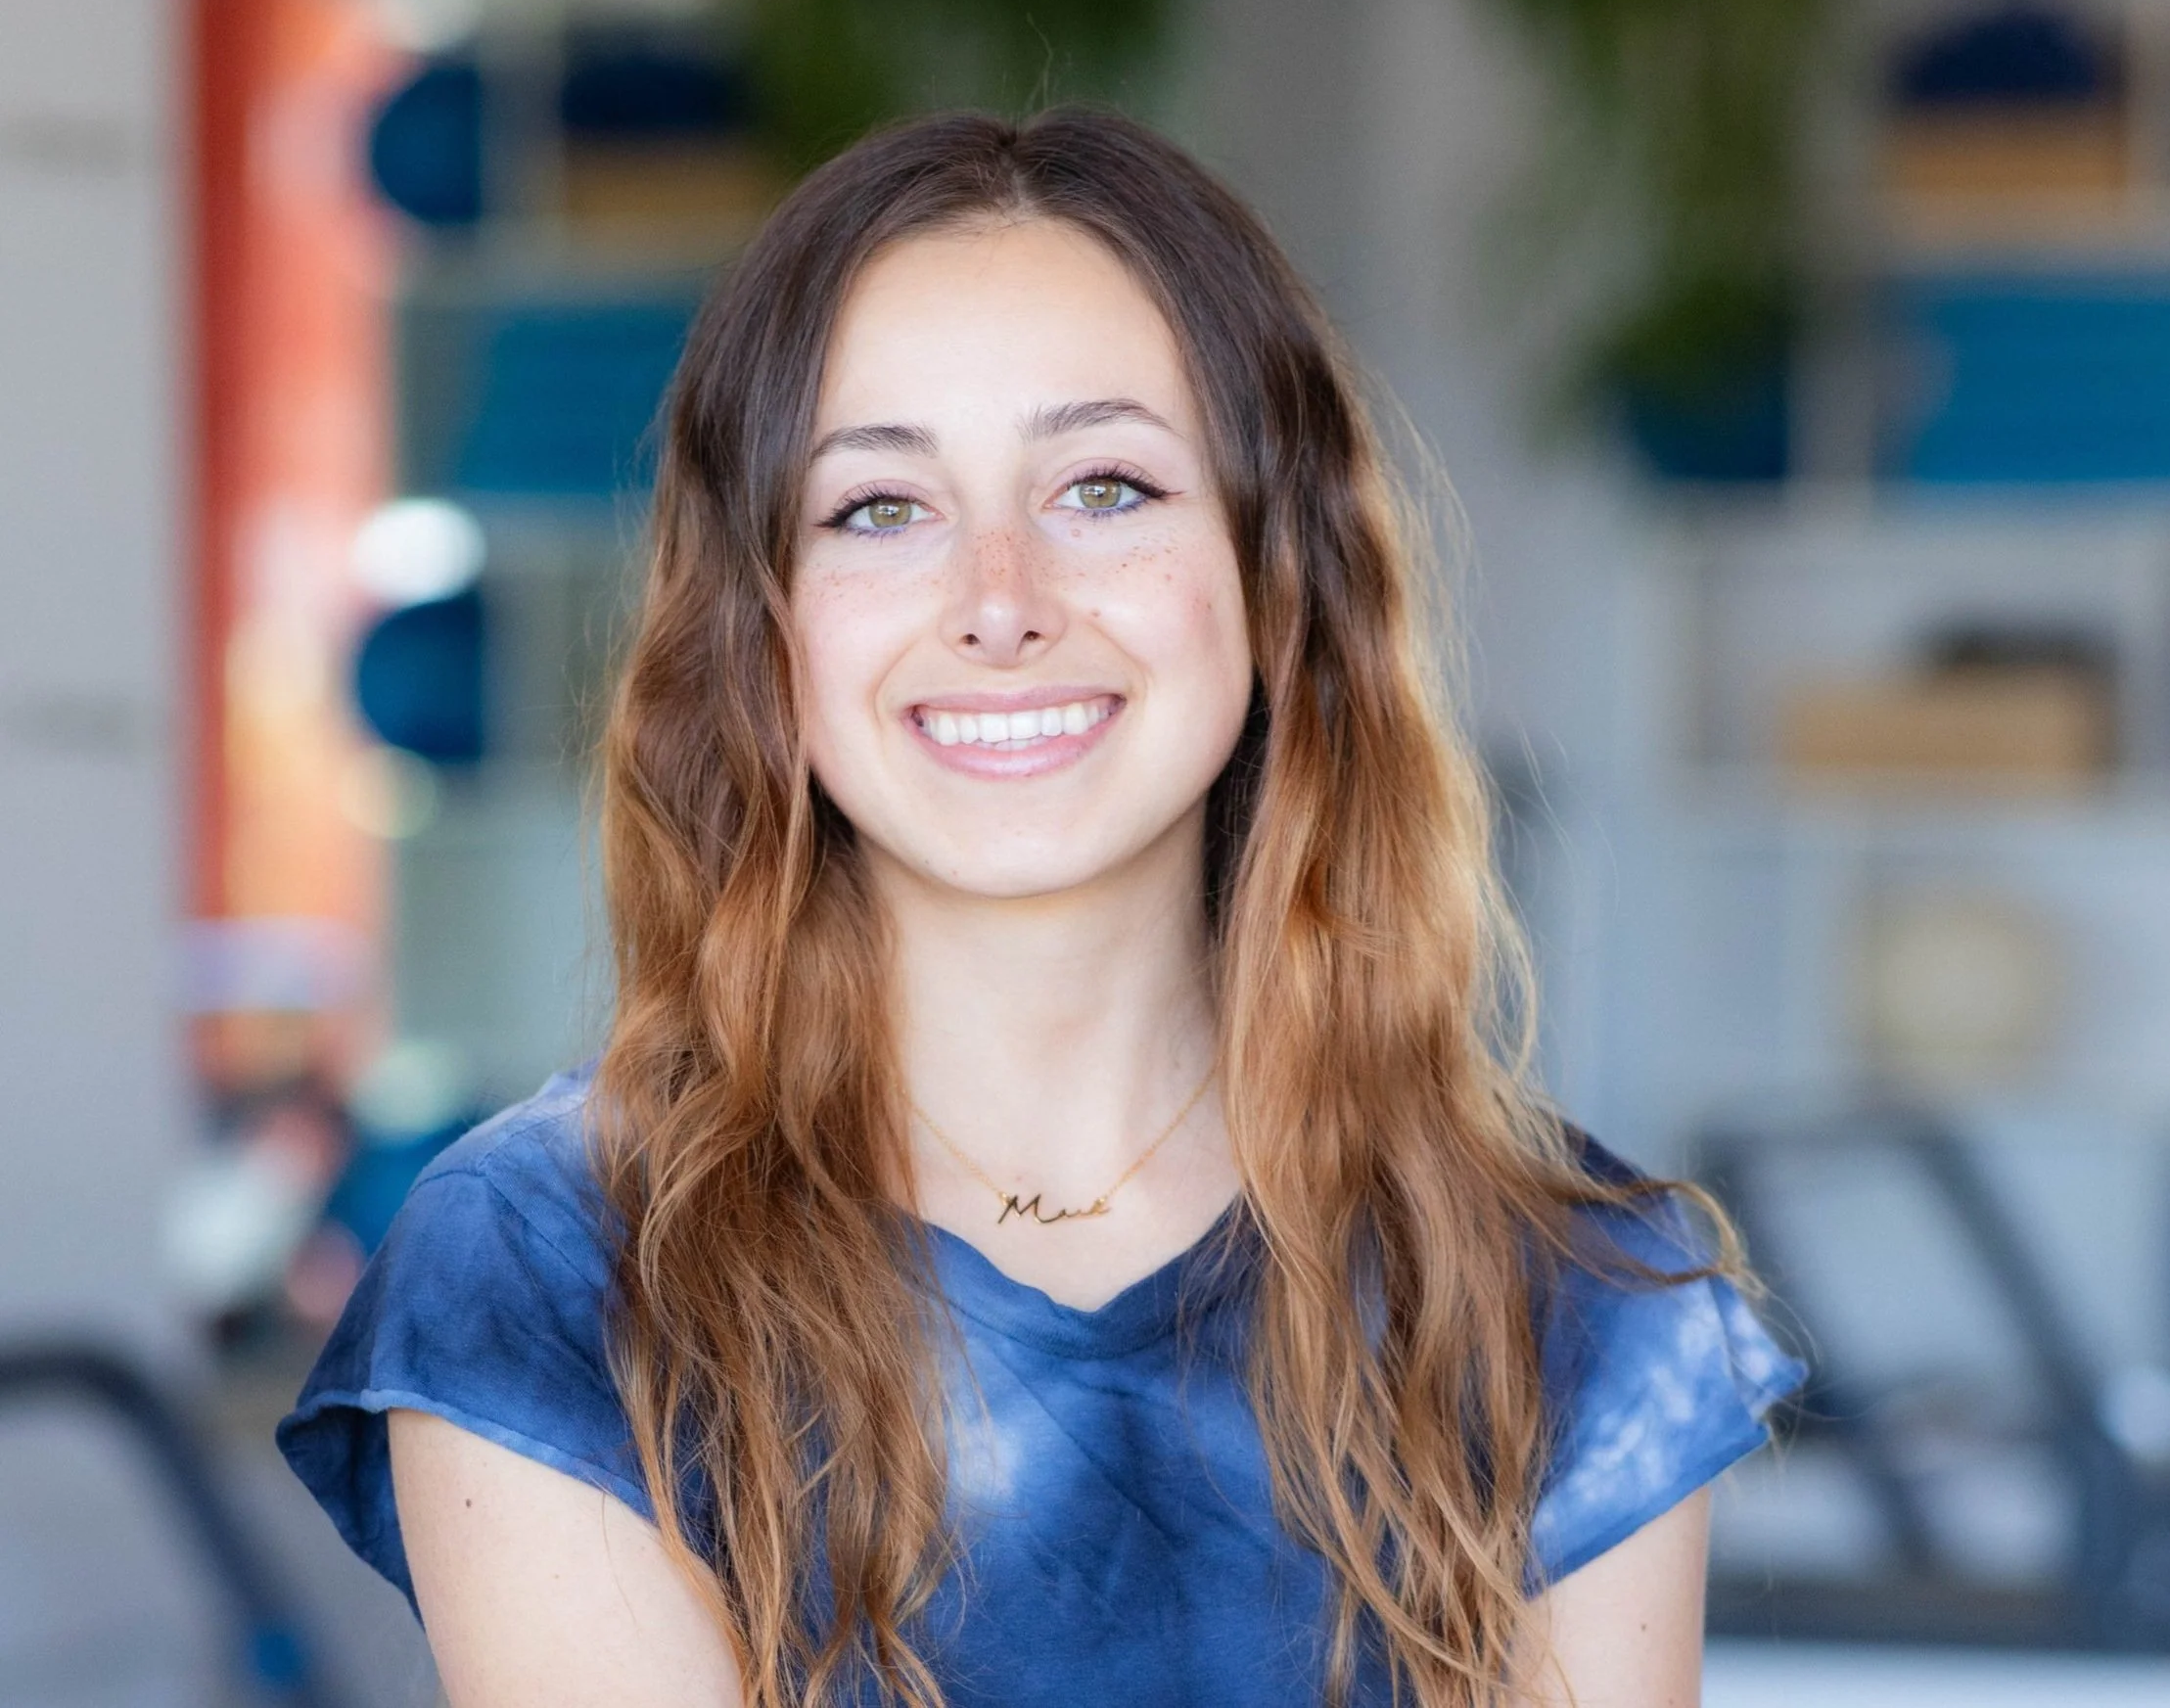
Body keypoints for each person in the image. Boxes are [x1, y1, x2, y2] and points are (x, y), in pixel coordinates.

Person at [280, 108, 1802, 1707]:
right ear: (763, 628)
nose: (1000, 601)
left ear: (1276, 578)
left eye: (1106, 486)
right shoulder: (554, 1272)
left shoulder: (1581, 1302)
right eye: (880, 508)